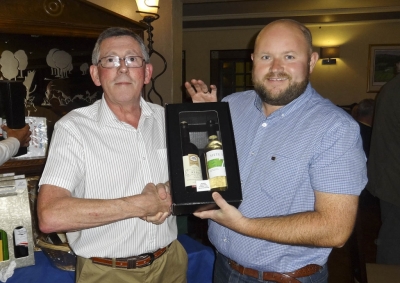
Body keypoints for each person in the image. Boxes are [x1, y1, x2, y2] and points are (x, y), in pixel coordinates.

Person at [185, 19, 367, 283]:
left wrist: (243, 225)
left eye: (289, 56)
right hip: (223, 268)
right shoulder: (231, 106)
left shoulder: (336, 129)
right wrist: (205, 118)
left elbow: (334, 229)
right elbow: (212, 166)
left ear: (312, 61)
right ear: (253, 60)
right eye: (266, 56)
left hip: (285, 278)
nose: (276, 68)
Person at [37, 27, 187, 283]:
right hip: (107, 273)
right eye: (110, 60)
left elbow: (196, 182)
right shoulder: (73, 128)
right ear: (96, 74)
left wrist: (171, 192)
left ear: (147, 72)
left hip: (170, 264)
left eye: (132, 59)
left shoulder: (170, 120)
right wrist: (143, 204)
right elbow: (51, 215)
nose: (122, 68)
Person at [367, 60, 400, 264]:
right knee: (393, 240)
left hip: (389, 175)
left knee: (391, 235)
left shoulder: (392, 87)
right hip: (395, 178)